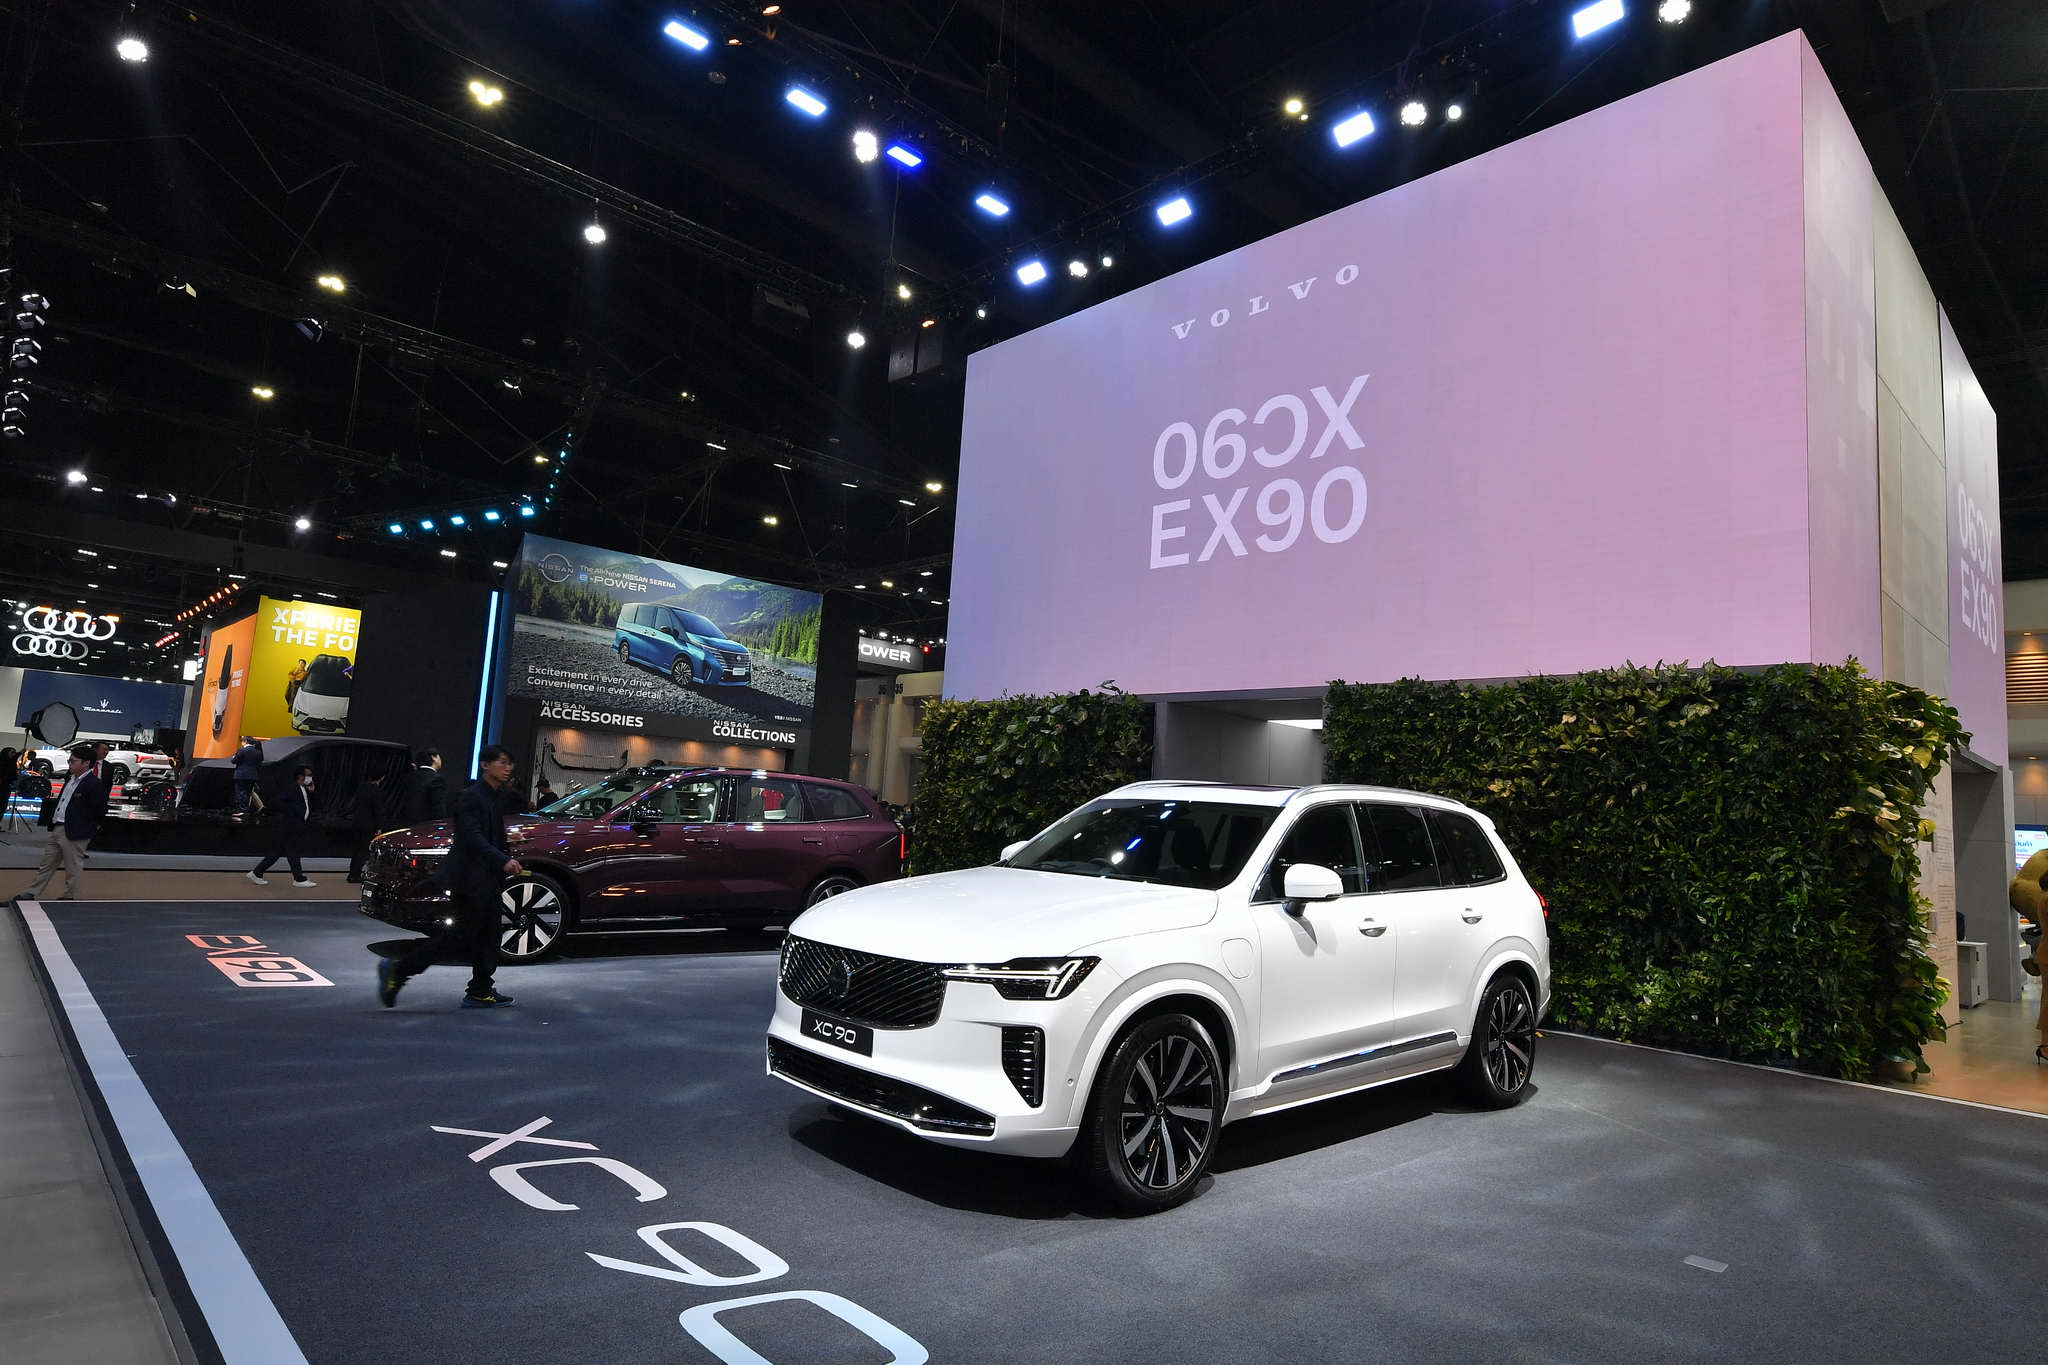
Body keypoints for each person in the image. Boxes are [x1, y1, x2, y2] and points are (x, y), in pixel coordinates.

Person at [379, 746, 522, 1009]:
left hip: (485, 879)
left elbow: (483, 834)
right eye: (502, 762)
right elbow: (471, 837)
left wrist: (506, 843)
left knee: (489, 936)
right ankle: (399, 971)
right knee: (460, 938)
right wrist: (503, 860)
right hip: (469, 880)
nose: (508, 768)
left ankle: (480, 990)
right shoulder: (471, 796)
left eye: (510, 763)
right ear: (485, 765)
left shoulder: (493, 796)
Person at [21, 746, 107, 902]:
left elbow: (100, 810)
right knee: (46, 864)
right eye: (69, 760)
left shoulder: (94, 784)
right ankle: (32, 892)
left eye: (73, 761)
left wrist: (90, 828)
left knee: (72, 868)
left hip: (76, 831)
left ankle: (70, 896)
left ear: (86, 763)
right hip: (58, 826)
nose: (69, 764)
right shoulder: (70, 778)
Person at [247, 765, 318, 889]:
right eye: (308, 775)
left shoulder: (303, 789)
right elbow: (277, 801)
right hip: (289, 825)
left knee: (277, 851)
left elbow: (306, 805)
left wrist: (311, 792)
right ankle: (299, 879)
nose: (310, 778)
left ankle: (257, 873)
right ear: (300, 776)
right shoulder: (293, 788)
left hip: (294, 824)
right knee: (293, 851)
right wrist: (291, 813)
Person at [345, 772, 391, 884]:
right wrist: (380, 826)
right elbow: (378, 810)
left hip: (357, 822)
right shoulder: (376, 790)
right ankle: (354, 875)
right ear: (382, 777)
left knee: (357, 849)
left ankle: (353, 872)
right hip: (369, 824)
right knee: (364, 850)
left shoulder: (361, 787)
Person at [402, 747, 448, 825]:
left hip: (405, 823)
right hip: (425, 825)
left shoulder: (409, 776)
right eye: (439, 757)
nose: (441, 760)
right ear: (434, 757)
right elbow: (438, 808)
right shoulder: (437, 779)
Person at [231, 736, 263, 814]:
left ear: (245, 741)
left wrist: (234, 756)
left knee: (241, 792)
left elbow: (233, 761)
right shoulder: (258, 752)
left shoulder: (242, 750)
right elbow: (259, 764)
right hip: (253, 775)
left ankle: (243, 810)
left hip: (241, 775)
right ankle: (246, 809)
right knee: (248, 793)